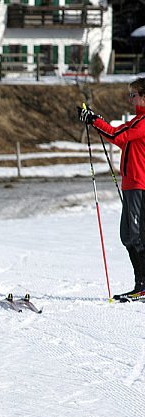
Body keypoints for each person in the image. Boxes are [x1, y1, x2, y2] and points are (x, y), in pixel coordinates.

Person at [80, 78, 145, 300]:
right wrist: (95, 121)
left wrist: (96, 121)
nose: (131, 99)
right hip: (131, 184)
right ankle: (141, 284)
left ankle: (143, 286)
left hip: (140, 185)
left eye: (133, 95)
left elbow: (119, 135)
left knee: (136, 236)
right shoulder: (137, 120)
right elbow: (118, 138)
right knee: (128, 235)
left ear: (144, 97)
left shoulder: (143, 122)